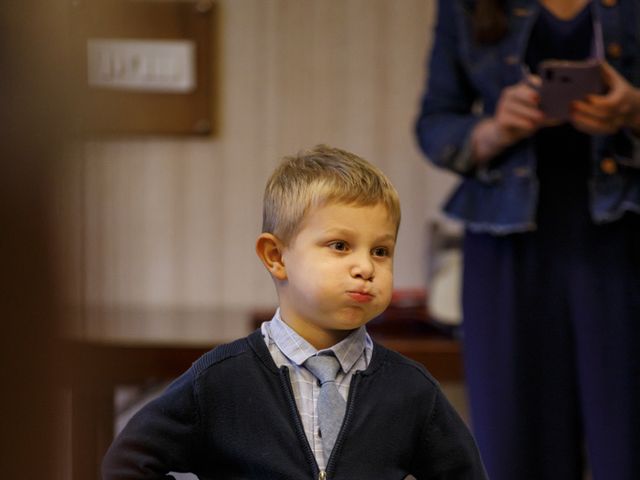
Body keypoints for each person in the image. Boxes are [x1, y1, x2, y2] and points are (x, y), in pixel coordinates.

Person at [101, 145, 488, 480]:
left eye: (380, 251)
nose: (366, 267)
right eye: (340, 245)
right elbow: (127, 464)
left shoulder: (411, 390)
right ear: (276, 256)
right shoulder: (220, 380)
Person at [415, 1, 640, 480]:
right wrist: (496, 129)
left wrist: (635, 110)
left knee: (629, 449)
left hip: (625, 238)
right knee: (514, 453)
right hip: (506, 248)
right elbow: (434, 122)